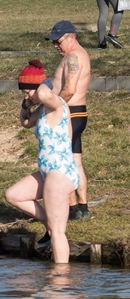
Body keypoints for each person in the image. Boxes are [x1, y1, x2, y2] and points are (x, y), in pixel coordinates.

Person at [5, 60, 79, 264]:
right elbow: (26, 122)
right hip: (47, 171)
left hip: (60, 172)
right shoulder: (43, 110)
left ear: (40, 87)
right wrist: (25, 104)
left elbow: (45, 94)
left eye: (28, 92)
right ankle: (49, 220)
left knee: (57, 232)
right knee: (13, 195)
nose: (26, 96)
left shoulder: (55, 104)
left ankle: (60, 279)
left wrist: (42, 83)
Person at [46, 21, 92, 221]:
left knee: (64, 163)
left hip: (69, 114)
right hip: (78, 113)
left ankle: (73, 210)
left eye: (58, 41)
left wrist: (52, 104)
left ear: (71, 37)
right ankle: (84, 207)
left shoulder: (73, 57)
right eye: (53, 42)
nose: (56, 45)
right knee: (76, 162)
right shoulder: (80, 54)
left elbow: (70, 89)